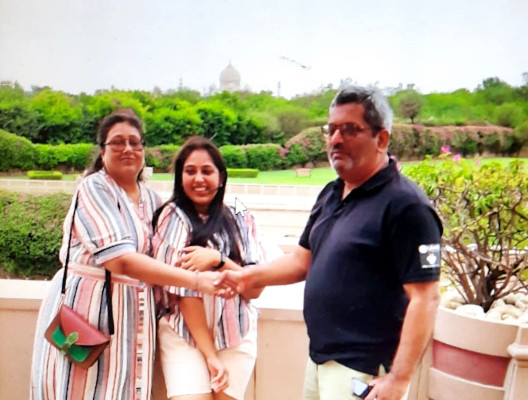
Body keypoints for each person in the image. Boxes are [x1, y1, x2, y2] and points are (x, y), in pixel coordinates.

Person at [181, 86, 442, 400]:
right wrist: (244, 277)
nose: (336, 140)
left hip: (365, 368)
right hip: (321, 358)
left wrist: (399, 379)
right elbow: (300, 262)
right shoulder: (332, 194)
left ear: (381, 139)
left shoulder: (405, 206)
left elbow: (425, 298)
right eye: (331, 130)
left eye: (350, 130)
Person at [29, 109, 231, 400]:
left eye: (135, 142)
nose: (128, 149)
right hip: (85, 314)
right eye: (117, 142)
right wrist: (196, 281)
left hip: (132, 322)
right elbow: (119, 259)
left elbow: (166, 256)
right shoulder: (93, 188)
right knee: (76, 390)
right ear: (102, 152)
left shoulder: (152, 199)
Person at [152, 136, 268, 400]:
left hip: (236, 333)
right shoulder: (172, 216)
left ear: (221, 176)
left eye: (207, 171)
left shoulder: (241, 214)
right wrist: (210, 356)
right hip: (185, 335)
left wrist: (217, 260)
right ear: (179, 177)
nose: (199, 179)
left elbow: (255, 289)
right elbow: (183, 292)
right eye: (190, 171)